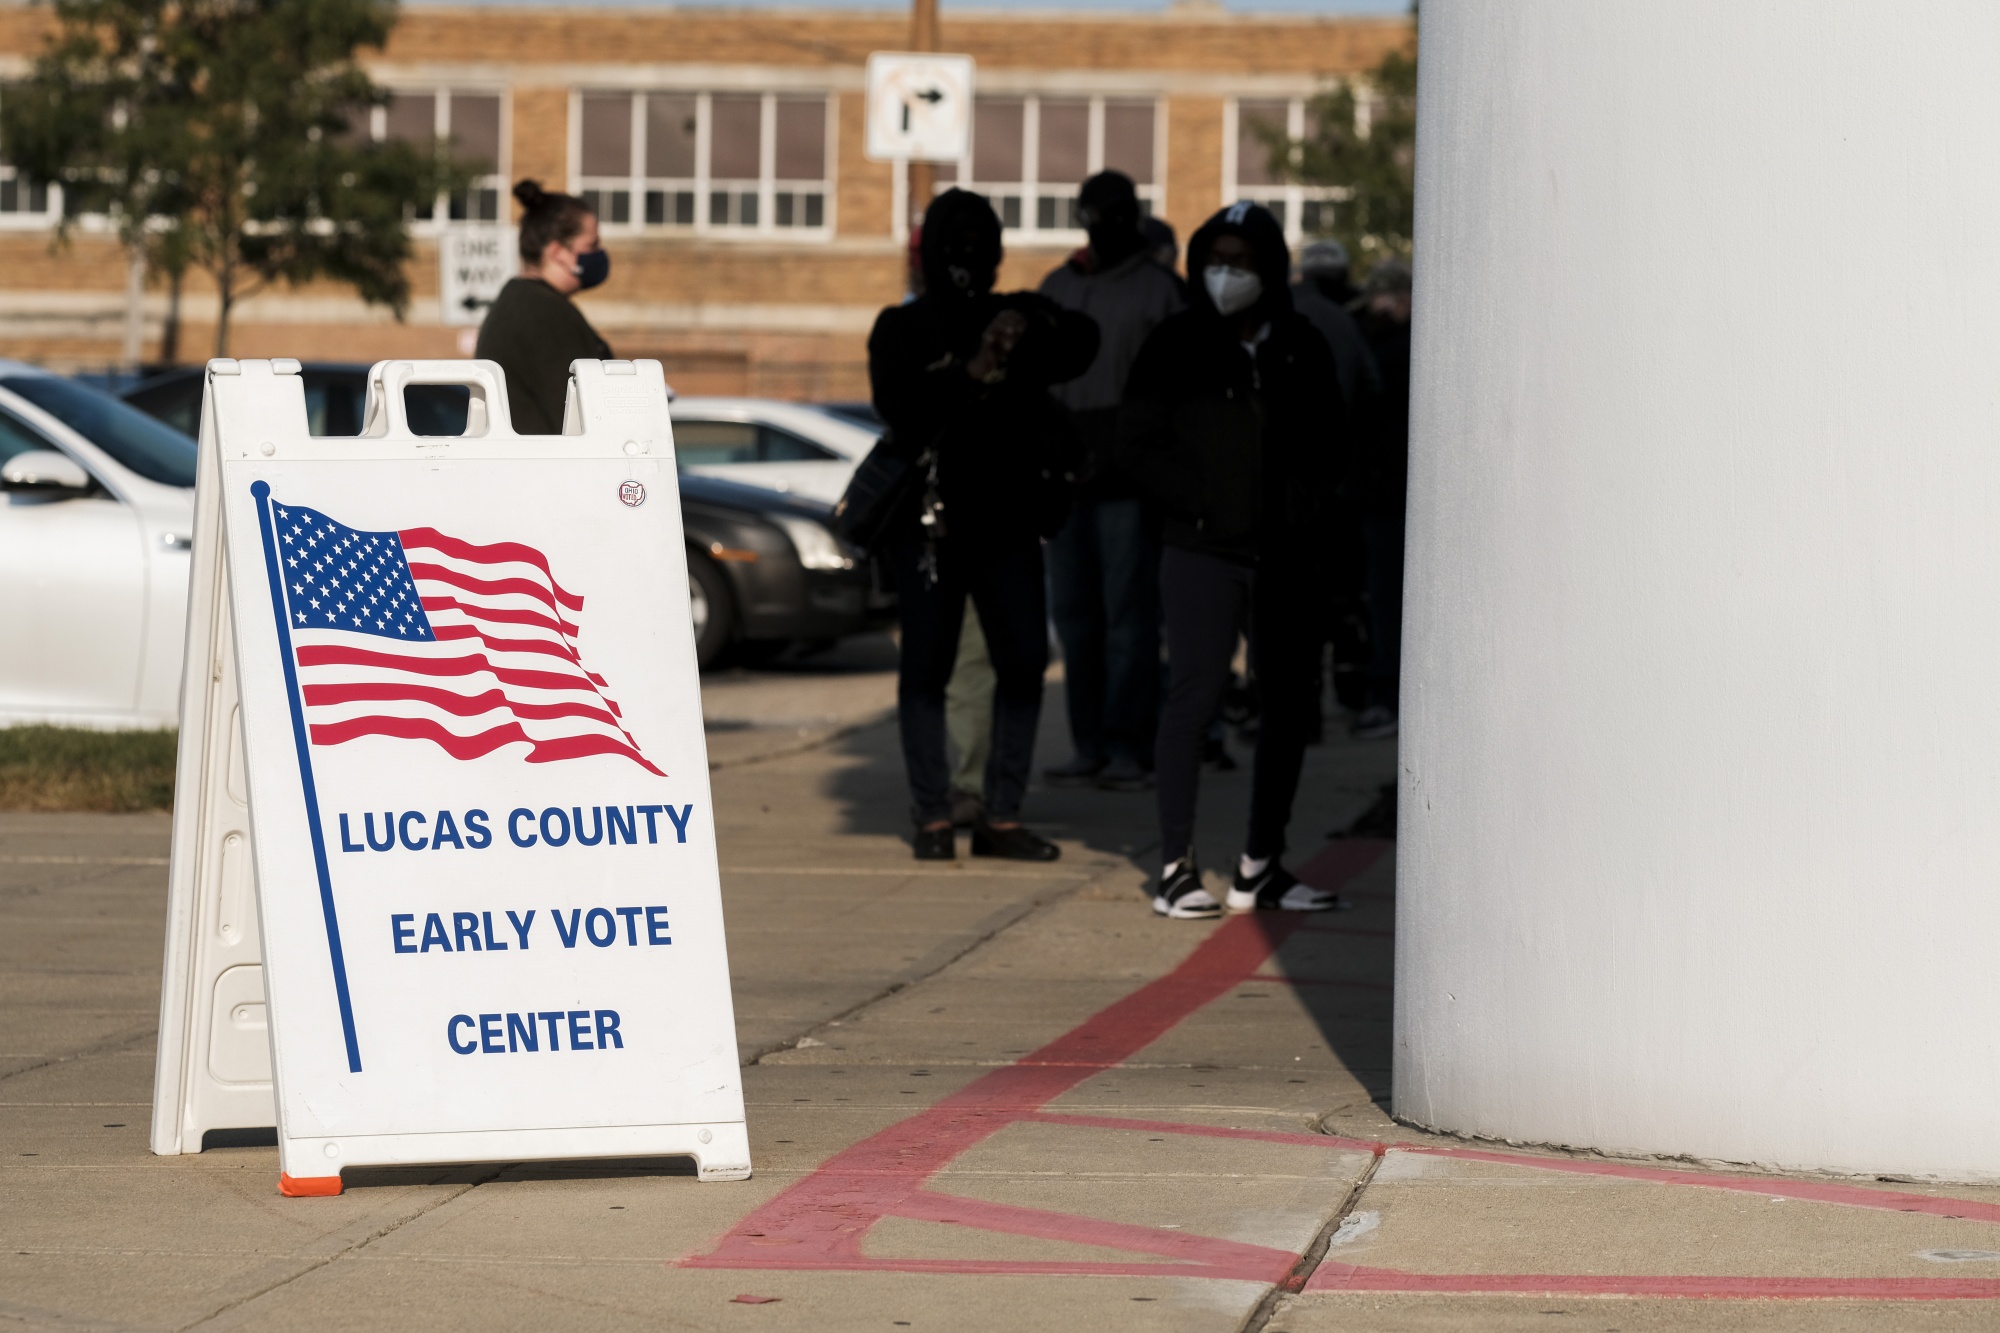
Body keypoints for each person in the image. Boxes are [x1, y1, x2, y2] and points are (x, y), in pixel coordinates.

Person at [1117, 200, 1349, 919]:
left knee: (1288, 704)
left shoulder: (1300, 344)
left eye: (1242, 263)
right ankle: (1175, 869)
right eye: (1215, 262)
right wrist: (1198, 501)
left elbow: (1334, 438)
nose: (1227, 275)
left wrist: (1306, 508)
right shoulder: (1176, 343)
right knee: (1194, 697)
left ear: (1270, 269)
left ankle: (1260, 866)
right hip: (1201, 551)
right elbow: (1136, 442)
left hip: (1283, 555)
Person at [868, 189, 1099, 861]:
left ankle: (1002, 813)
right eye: (956, 239)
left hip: (1007, 526)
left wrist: (1028, 323)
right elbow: (901, 412)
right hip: (931, 528)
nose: (969, 253)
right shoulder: (902, 328)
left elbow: (1081, 344)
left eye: (981, 239)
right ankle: (934, 815)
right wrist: (968, 370)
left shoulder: (1014, 316)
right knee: (927, 669)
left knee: (1023, 663)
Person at [1038, 172, 1186, 790]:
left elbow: (1183, 392)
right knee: (1076, 620)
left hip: (1129, 482)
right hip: (1069, 480)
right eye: (1097, 215)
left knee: (1129, 619)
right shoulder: (1059, 286)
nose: (1105, 225)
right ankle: (1090, 744)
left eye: (1116, 214)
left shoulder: (1160, 290)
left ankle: (1128, 745)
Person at [476, 181, 613, 434]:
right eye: (592, 245)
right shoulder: (546, 313)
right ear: (558, 252)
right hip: (546, 458)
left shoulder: (519, 300)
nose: (599, 253)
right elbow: (583, 417)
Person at [1348, 258, 1413, 741]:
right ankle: (1385, 693)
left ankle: (1388, 695)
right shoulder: (1392, 344)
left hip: (1387, 493)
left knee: (1387, 598)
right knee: (1384, 597)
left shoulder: (1393, 349)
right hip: (1384, 491)